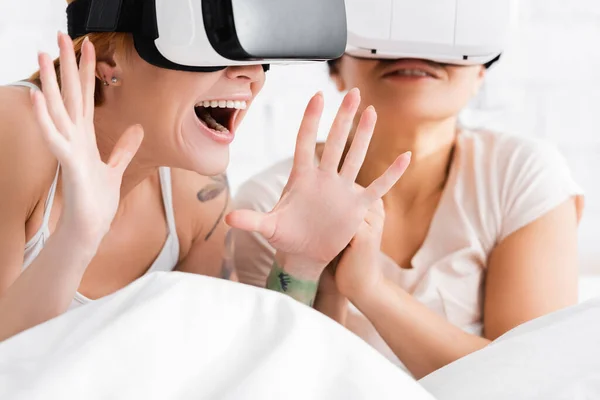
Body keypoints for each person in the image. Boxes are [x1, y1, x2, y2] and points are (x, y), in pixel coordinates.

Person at [0, 1, 410, 342]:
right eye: (210, 46)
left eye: (255, 54)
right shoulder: (15, 130)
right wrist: (76, 237)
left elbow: (224, 369)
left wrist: (299, 267)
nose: (250, 75)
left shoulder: (197, 193)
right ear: (109, 61)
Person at [233, 53, 585, 377]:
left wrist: (370, 289)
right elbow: (285, 382)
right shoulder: (272, 204)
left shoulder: (520, 174)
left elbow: (537, 380)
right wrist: (307, 274)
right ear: (336, 67)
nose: (414, 53)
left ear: (481, 71)